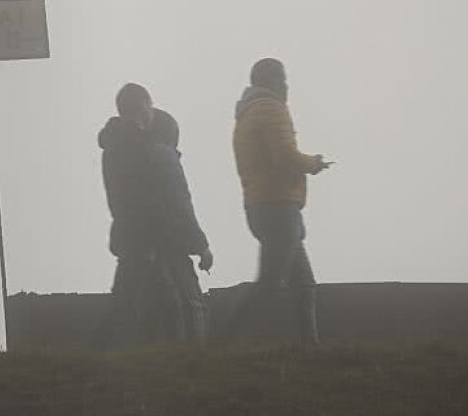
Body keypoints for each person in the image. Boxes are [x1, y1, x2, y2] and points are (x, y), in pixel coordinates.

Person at [225, 58, 331, 344]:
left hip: (262, 204)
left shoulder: (246, 114)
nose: (286, 85)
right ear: (271, 81)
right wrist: (313, 163)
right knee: (270, 284)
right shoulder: (271, 109)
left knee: (304, 285)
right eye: (282, 78)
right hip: (277, 207)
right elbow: (285, 156)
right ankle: (222, 340)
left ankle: (311, 350)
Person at [96, 83, 158, 345]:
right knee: (129, 296)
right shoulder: (139, 144)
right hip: (141, 230)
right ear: (143, 106)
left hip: (125, 226)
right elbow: (148, 192)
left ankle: (117, 347)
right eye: (150, 105)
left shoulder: (114, 143)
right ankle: (110, 347)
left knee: (130, 293)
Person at [145, 109, 213, 344]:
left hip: (146, 244)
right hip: (171, 244)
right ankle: (194, 359)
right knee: (192, 305)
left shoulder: (136, 157)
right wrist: (202, 246)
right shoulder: (164, 156)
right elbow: (180, 205)